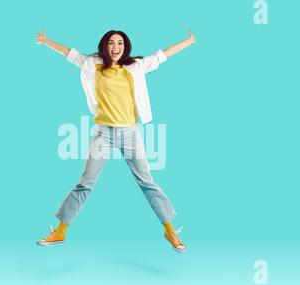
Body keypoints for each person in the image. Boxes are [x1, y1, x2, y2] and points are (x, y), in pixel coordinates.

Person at [35, 29, 196, 253]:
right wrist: (45, 41)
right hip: (103, 133)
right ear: (105, 45)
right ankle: (60, 231)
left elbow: (164, 54)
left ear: (125, 46)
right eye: (111, 43)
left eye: (120, 43)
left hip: (130, 133)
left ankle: (170, 231)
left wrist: (189, 41)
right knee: (85, 182)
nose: (115, 47)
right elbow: (68, 53)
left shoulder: (135, 67)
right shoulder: (92, 64)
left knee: (147, 182)